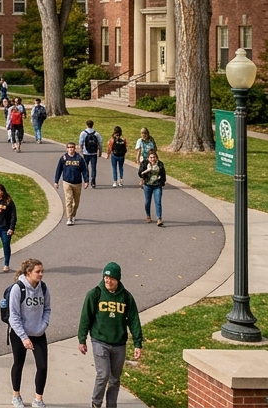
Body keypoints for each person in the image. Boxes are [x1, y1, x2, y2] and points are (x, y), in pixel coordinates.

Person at [77, 262, 143, 408]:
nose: (108, 280)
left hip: (119, 343)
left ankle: (111, 405)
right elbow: (85, 317)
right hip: (100, 341)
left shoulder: (126, 297)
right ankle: (96, 403)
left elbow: (134, 321)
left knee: (114, 379)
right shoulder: (95, 294)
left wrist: (138, 343)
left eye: (111, 278)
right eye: (106, 277)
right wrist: (82, 339)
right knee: (103, 374)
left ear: (118, 279)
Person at [8, 258, 51, 408]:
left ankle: (38, 399)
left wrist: (43, 325)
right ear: (28, 273)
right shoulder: (18, 289)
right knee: (19, 364)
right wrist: (24, 337)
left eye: (42, 271)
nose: (41, 275)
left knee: (43, 366)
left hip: (38, 333)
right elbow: (13, 316)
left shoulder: (43, 288)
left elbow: (47, 309)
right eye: (37, 272)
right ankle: (16, 396)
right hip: (19, 334)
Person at [54, 142, 90, 225]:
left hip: (77, 183)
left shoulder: (79, 158)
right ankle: (69, 218)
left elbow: (84, 170)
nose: (71, 149)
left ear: (75, 148)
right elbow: (58, 170)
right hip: (67, 182)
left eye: (72, 147)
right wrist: (56, 181)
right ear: (67, 149)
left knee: (76, 202)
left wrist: (86, 181)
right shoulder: (63, 158)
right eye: (69, 147)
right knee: (68, 200)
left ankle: (73, 215)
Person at [139, 150, 167, 227]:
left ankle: (159, 219)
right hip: (147, 185)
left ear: (156, 157)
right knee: (148, 201)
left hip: (157, 185)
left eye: (154, 157)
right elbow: (140, 173)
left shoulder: (160, 164)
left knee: (158, 201)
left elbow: (163, 174)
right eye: (151, 157)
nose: (152, 159)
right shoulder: (145, 164)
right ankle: (148, 215)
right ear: (148, 158)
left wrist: (163, 181)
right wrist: (147, 171)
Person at [78, 121, 104, 188]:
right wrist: (100, 151)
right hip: (94, 153)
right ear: (92, 125)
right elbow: (100, 143)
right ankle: (93, 181)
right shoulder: (96, 133)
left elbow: (80, 143)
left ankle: (86, 180)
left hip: (85, 152)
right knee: (93, 167)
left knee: (85, 167)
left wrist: (80, 152)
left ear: (86, 125)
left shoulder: (83, 133)